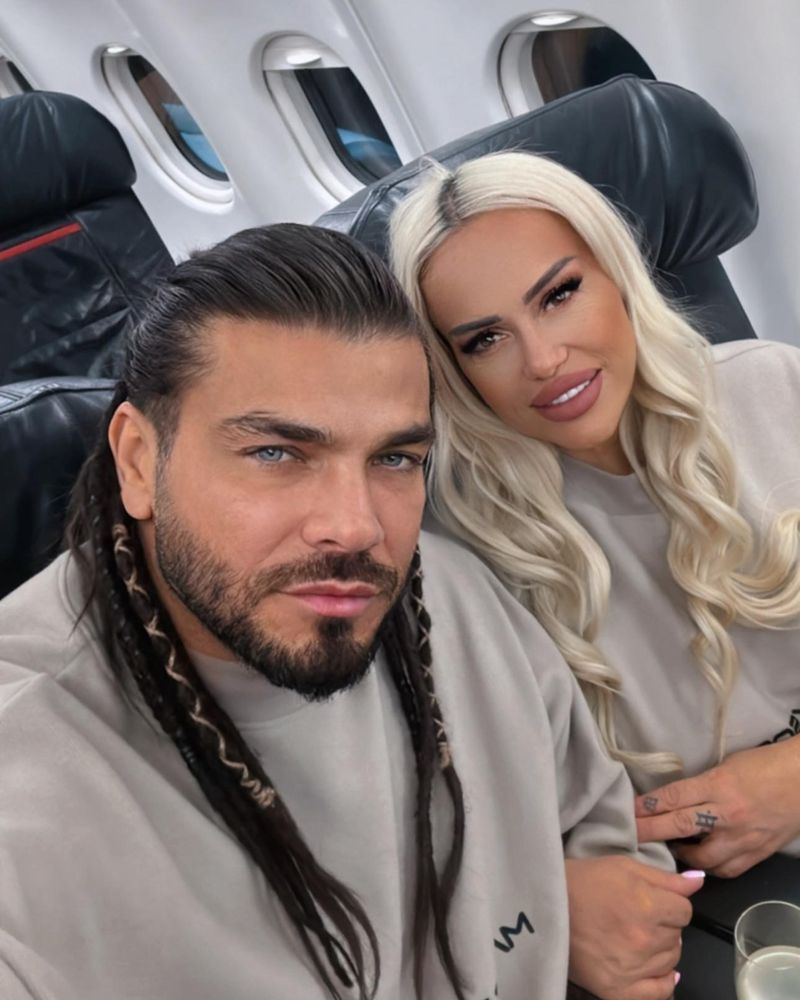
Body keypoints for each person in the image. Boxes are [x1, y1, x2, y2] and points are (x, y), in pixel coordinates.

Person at [0, 224, 690, 1000]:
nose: (356, 527)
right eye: (276, 453)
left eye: (394, 458)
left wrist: (577, 903)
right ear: (137, 460)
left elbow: (600, 824)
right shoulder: (28, 786)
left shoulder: (450, 592)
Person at [389, 149, 800, 885]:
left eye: (559, 294)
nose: (543, 359)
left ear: (617, 274)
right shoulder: (466, 551)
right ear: (456, 372)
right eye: (485, 339)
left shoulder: (776, 387)